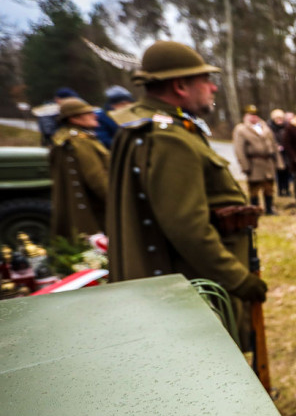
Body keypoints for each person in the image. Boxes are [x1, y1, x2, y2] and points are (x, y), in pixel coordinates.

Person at [106, 40, 266, 310]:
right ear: (180, 86)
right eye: (205, 80)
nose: (213, 87)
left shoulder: (145, 125)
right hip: (195, 290)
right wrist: (240, 281)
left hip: (175, 285)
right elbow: (188, 228)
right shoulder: (169, 138)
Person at [49, 98, 109, 239]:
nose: (95, 116)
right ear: (75, 119)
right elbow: (97, 178)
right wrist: (120, 203)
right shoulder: (81, 142)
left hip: (76, 210)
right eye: (88, 113)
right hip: (94, 213)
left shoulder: (63, 138)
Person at [232, 104, 280, 215]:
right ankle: (255, 210)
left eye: (255, 115)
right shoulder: (241, 129)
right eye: (251, 115)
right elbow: (239, 149)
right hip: (254, 163)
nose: (254, 118)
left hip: (268, 162)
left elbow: (273, 145)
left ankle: (269, 209)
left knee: (269, 187)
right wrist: (245, 166)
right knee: (254, 188)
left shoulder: (265, 128)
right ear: (246, 116)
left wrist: (278, 161)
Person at [269, 109, 291, 197]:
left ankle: (287, 189)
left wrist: (286, 145)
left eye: (281, 119)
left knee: (287, 172)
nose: (279, 121)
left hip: (286, 153)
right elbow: (269, 140)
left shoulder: (287, 127)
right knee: (279, 172)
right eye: (277, 119)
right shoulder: (270, 128)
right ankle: (280, 190)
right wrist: (276, 146)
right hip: (276, 153)